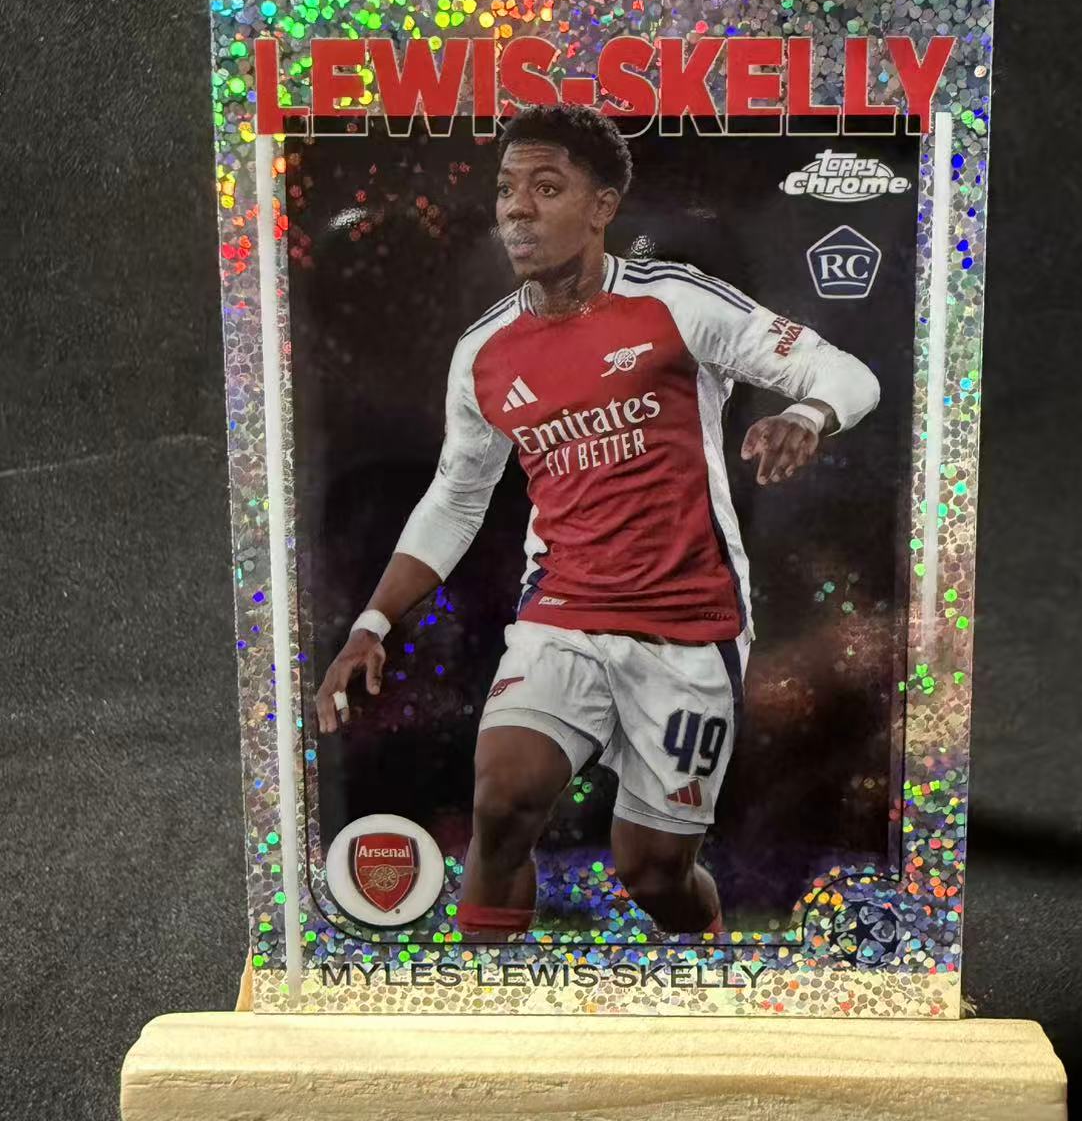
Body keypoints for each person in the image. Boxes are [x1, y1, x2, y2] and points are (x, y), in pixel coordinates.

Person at [316, 103, 880, 940]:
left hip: (689, 628)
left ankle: (710, 967)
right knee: (502, 802)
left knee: (652, 870)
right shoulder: (484, 352)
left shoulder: (676, 303)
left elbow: (846, 371)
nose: (517, 208)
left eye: (547, 188)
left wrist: (809, 414)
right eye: (507, 189)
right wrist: (373, 621)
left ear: (603, 206)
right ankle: (485, 995)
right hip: (562, 618)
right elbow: (457, 496)